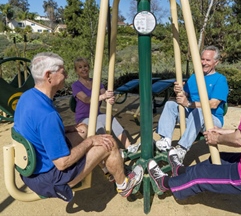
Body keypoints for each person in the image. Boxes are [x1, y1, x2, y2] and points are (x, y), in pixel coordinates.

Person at [148, 32, 241, 201]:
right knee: (219, 159)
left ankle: (166, 184)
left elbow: (240, 140)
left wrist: (217, 139)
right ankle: (181, 172)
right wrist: (225, 132)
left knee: (200, 175)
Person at [13, 52, 143, 202]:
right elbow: (62, 163)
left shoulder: (28, 97)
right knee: (108, 142)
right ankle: (124, 184)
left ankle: (109, 167)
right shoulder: (48, 115)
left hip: (32, 169)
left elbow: (37, 129)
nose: (66, 76)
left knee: (83, 130)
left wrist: (67, 128)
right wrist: (90, 141)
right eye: (63, 72)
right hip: (51, 179)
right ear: (48, 76)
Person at [155, 45, 229, 162]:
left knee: (200, 111)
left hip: (211, 119)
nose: (204, 63)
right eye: (202, 59)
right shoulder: (195, 77)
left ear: (216, 62)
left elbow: (213, 104)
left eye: (208, 60)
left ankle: (182, 149)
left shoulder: (220, 79)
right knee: (171, 104)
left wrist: (189, 104)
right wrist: (179, 92)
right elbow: (185, 95)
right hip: (192, 115)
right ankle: (166, 139)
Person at [72, 57, 140, 155]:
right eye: (80, 67)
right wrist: (103, 96)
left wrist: (109, 98)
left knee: (111, 119)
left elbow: (105, 94)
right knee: (98, 126)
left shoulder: (96, 82)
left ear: (89, 67)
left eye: (85, 66)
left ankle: (129, 147)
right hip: (83, 117)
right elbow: (86, 99)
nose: (84, 69)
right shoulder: (76, 85)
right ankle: (108, 154)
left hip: (97, 114)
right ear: (76, 71)